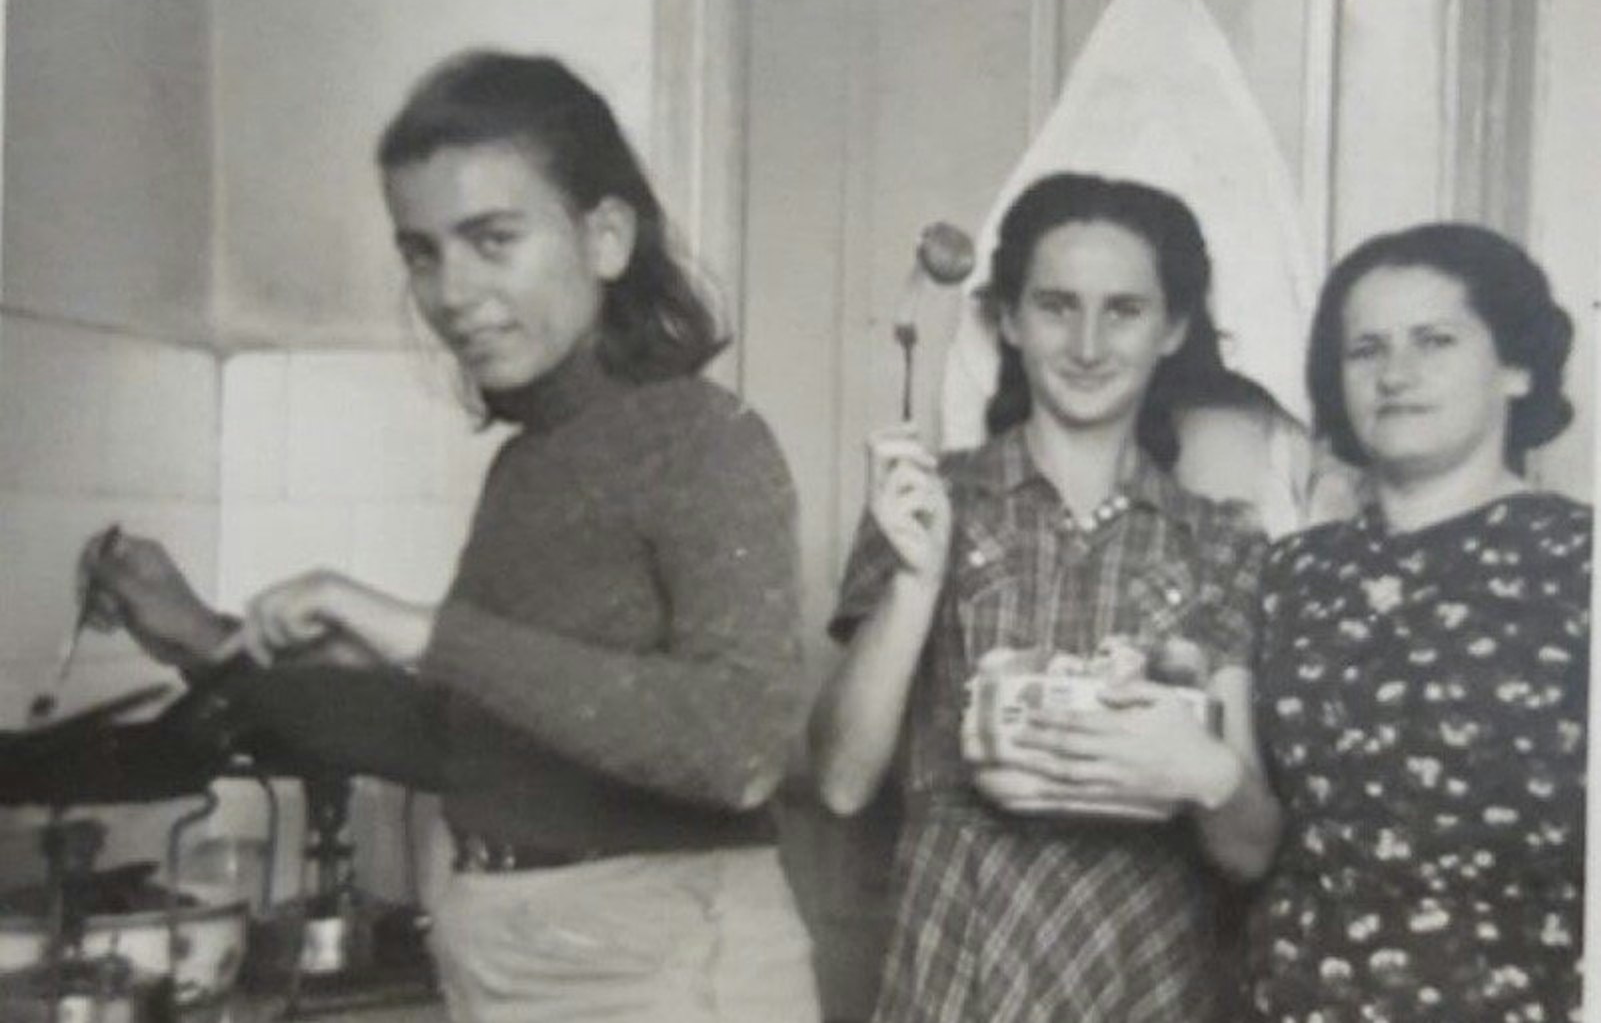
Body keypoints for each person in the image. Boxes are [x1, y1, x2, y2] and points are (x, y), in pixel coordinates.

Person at [75, 50, 821, 1023]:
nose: (450, 290)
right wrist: (206, 643)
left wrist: (424, 632)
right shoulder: (529, 462)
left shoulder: (703, 438)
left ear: (605, 237)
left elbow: (742, 746)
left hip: (666, 969)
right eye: (421, 252)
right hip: (516, 959)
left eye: (492, 240)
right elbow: (462, 742)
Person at [811, 172, 1282, 1022]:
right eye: (1057, 305)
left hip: (1146, 977)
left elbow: (1248, 852)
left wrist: (1205, 771)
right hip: (953, 969)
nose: (1087, 344)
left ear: (1173, 328)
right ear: (1008, 320)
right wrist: (916, 579)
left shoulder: (1222, 542)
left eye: (1123, 310)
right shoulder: (925, 500)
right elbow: (842, 783)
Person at [1247, 223, 1589, 1022]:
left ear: (1515, 366)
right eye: (1364, 350)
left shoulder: (1579, 561)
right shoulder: (1291, 574)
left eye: (1434, 341)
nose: (1394, 375)